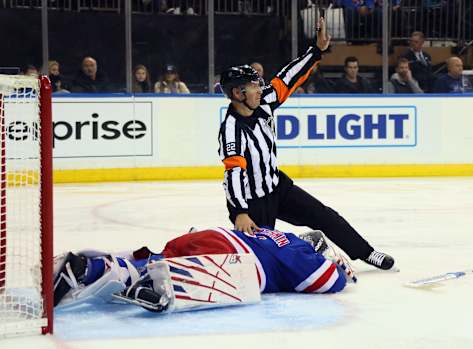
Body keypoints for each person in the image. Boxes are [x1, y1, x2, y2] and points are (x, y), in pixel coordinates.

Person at [218, 18, 394, 271]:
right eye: (254, 86)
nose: (260, 89)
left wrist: (317, 50)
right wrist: (240, 212)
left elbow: (287, 78)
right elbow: (233, 174)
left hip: (277, 187)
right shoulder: (231, 130)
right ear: (237, 93)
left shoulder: (264, 101)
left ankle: (366, 252)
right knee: (261, 262)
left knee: (324, 215)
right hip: (252, 202)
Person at [53, 227, 355, 312]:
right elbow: (328, 281)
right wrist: (338, 268)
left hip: (208, 235)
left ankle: (88, 266)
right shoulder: (300, 252)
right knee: (162, 277)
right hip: (229, 254)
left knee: (157, 258)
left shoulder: (274, 234)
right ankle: (144, 280)